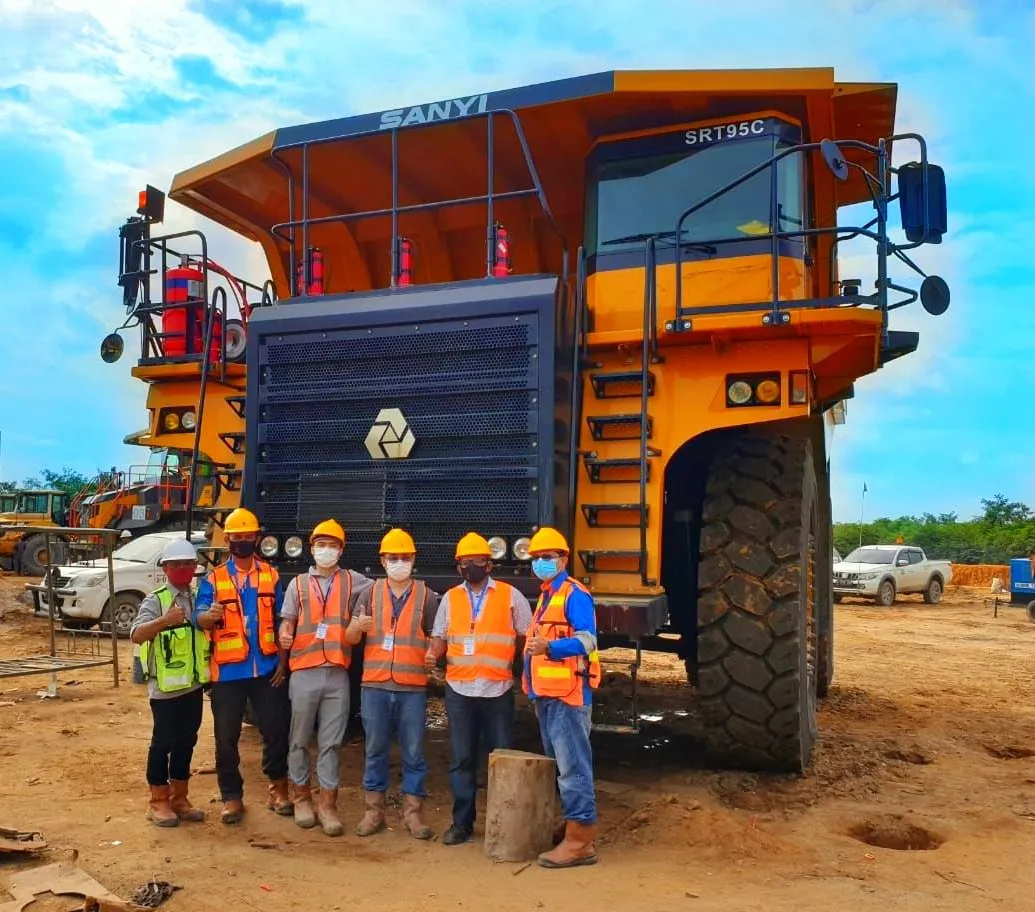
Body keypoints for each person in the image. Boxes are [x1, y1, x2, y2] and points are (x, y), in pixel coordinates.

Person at [428, 532, 532, 846]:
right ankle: (462, 824)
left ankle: (503, 825)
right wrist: (433, 653)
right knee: (461, 759)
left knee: (501, 759)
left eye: (477, 561)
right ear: (458, 566)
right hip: (459, 690)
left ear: (489, 564)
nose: (471, 566)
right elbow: (440, 637)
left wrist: (522, 673)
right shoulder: (450, 598)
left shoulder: (511, 596)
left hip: (496, 690)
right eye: (465, 562)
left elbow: (528, 637)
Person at [194, 506, 292, 825]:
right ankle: (231, 797)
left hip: (265, 668)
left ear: (256, 539)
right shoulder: (214, 579)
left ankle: (278, 788)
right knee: (226, 738)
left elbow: (282, 621)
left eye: (248, 537)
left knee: (276, 731)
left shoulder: (270, 575)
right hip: (227, 671)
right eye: (237, 538)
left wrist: (281, 660)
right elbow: (199, 617)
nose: (243, 542)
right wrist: (205, 618)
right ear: (228, 542)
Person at [278, 519, 372, 837]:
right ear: (312, 548)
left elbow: (382, 590)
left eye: (333, 545)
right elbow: (287, 620)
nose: (326, 550)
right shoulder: (298, 585)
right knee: (299, 739)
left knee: (331, 743)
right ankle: (301, 798)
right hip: (304, 670)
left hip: (336, 673)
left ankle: (328, 804)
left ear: (341, 550)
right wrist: (285, 632)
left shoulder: (353, 581)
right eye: (321, 544)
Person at [351, 528, 440, 840]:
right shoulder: (368, 594)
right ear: (382, 561)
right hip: (374, 685)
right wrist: (356, 628)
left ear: (413, 560)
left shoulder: (427, 597)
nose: (399, 562)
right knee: (375, 750)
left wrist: (433, 653)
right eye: (393, 557)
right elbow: (350, 637)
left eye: (405, 557)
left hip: (411, 687)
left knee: (414, 752)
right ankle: (373, 812)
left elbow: (437, 638)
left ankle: (413, 814)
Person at [522, 526, 601, 868]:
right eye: (536, 558)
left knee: (574, 769)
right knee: (562, 768)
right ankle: (572, 827)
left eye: (547, 557)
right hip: (549, 695)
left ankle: (580, 841)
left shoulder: (574, 594)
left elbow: (588, 641)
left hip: (569, 695)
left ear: (564, 558)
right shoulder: (547, 594)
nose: (541, 562)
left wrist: (550, 648)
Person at [130, 537, 209, 827]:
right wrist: (164, 620)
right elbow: (137, 635)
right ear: (165, 568)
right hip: (164, 689)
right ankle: (158, 801)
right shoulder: (157, 599)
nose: (183, 569)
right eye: (176, 565)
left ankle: (180, 797)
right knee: (162, 743)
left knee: (187, 741)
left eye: (188, 564)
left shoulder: (198, 596)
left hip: (192, 685)